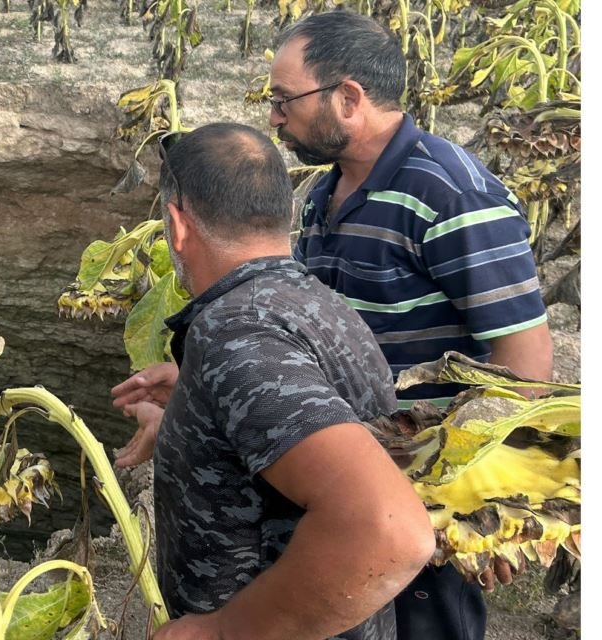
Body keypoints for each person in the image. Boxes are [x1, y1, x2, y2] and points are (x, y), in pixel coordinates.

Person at [265, 10, 553, 639]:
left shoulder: (451, 193)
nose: (274, 117)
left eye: (285, 99)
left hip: (429, 483)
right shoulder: (325, 193)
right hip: (357, 476)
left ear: (348, 98)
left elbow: (523, 356)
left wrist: (489, 499)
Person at [112, 122, 435, 640]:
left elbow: (389, 530)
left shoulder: (236, 332)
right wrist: (196, 407)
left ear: (177, 225)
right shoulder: (319, 303)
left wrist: (222, 631)